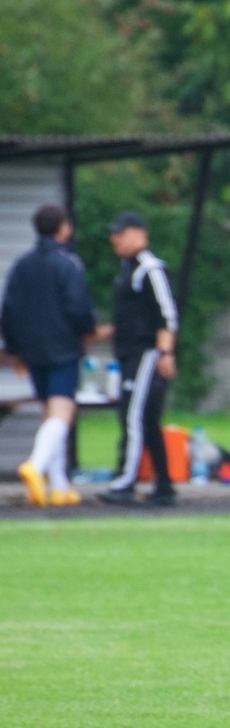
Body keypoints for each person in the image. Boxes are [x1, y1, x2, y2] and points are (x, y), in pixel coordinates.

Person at [1, 205, 96, 507]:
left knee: (49, 413)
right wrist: (87, 330)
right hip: (62, 347)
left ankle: (59, 486)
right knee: (61, 414)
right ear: (63, 228)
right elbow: (78, 306)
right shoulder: (67, 263)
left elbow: (9, 310)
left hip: (31, 351)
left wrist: (14, 349)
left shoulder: (21, 266)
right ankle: (36, 467)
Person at [98, 212, 180, 507]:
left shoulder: (150, 269)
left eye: (120, 234)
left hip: (146, 354)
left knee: (131, 415)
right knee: (147, 420)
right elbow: (130, 317)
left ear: (138, 234)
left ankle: (124, 481)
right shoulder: (127, 269)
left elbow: (166, 314)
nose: (115, 240)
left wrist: (165, 352)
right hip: (130, 353)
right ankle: (164, 486)